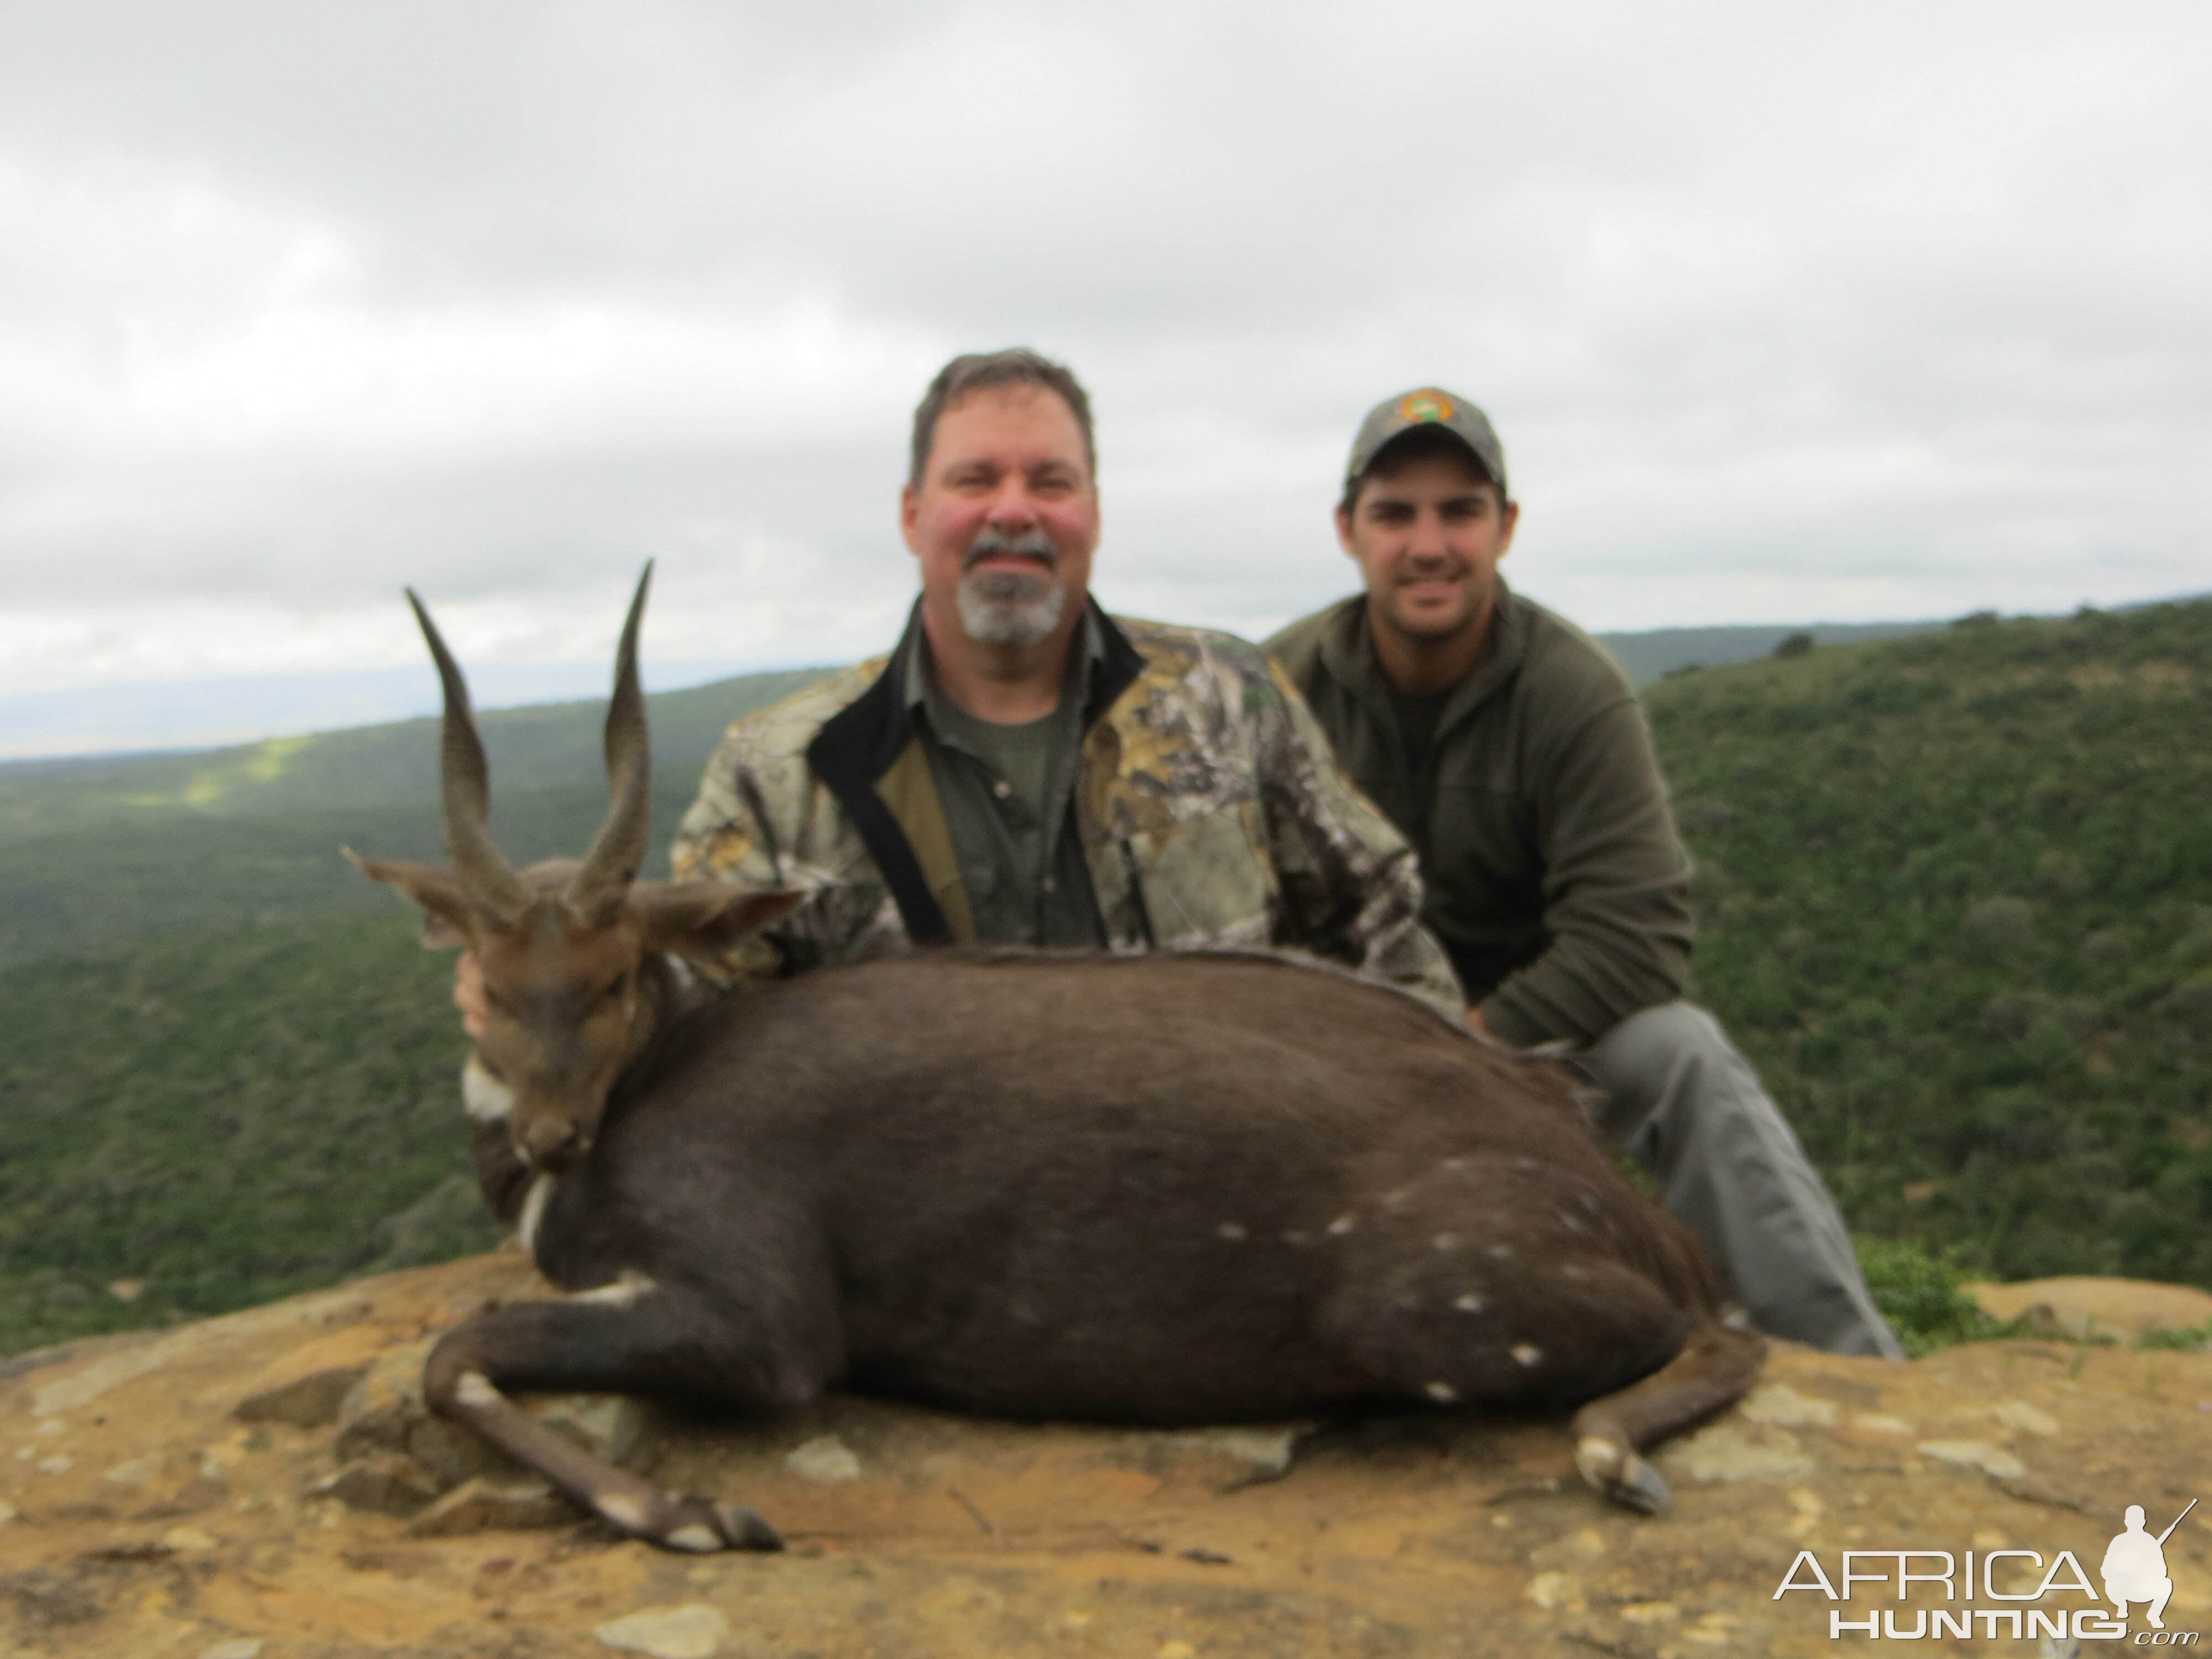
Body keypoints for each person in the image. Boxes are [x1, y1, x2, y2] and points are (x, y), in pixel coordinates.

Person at [457, 348, 1462, 1030]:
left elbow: (1383, 935)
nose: (1013, 512)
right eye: (975, 480)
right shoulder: (777, 773)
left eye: (1050, 482)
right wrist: (535, 979)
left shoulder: (1230, 697)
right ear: (912, 514)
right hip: (922, 1266)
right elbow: (694, 1022)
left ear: (1094, 514)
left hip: (1228, 1209)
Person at [1266, 387, 1902, 1358]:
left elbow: (1636, 936)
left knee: (1679, 1051)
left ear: (1506, 528)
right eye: (1395, 514)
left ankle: (1854, 1371)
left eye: (1460, 511)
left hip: (1532, 1056)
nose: (1427, 544)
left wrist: (1472, 1054)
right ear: (1348, 532)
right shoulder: (1276, 688)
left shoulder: (1574, 691)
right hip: (1338, 1071)